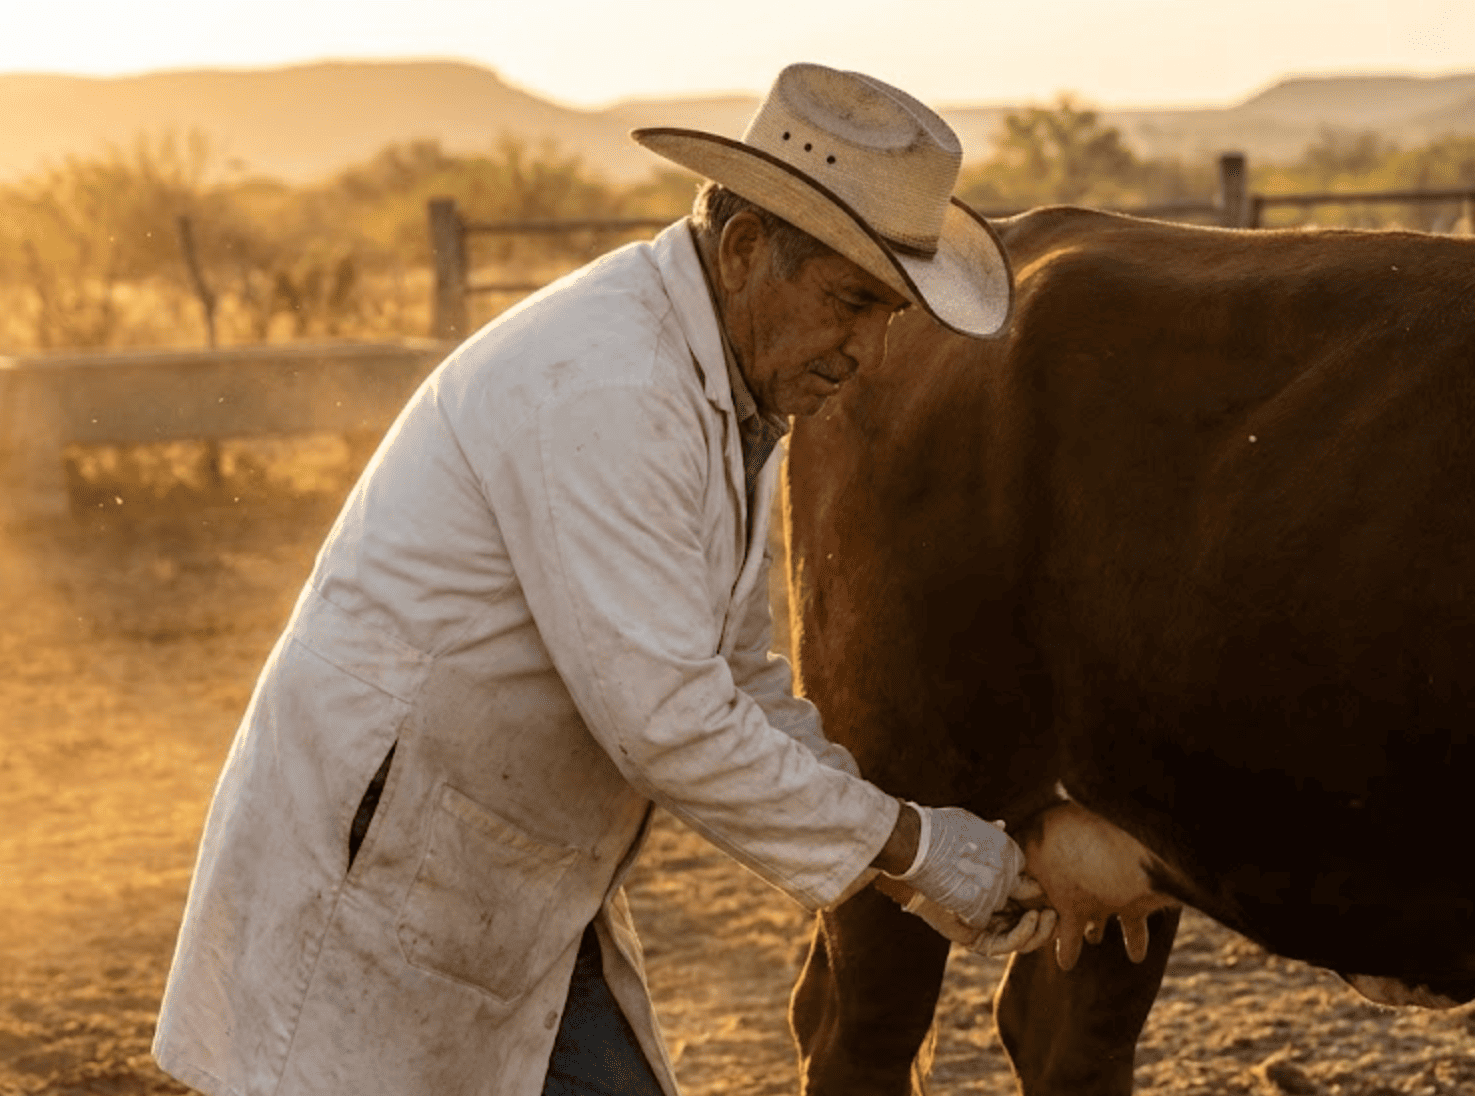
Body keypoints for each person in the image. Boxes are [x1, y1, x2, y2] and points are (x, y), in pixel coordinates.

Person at [154, 62, 1057, 1096]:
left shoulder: (723, 386)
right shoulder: (612, 386)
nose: (867, 349)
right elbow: (668, 722)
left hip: (507, 868)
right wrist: (916, 850)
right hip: (397, 854)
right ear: (747, 248)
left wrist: (906, 860)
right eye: (851, 302)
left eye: (889, 314)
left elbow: (737, 675)